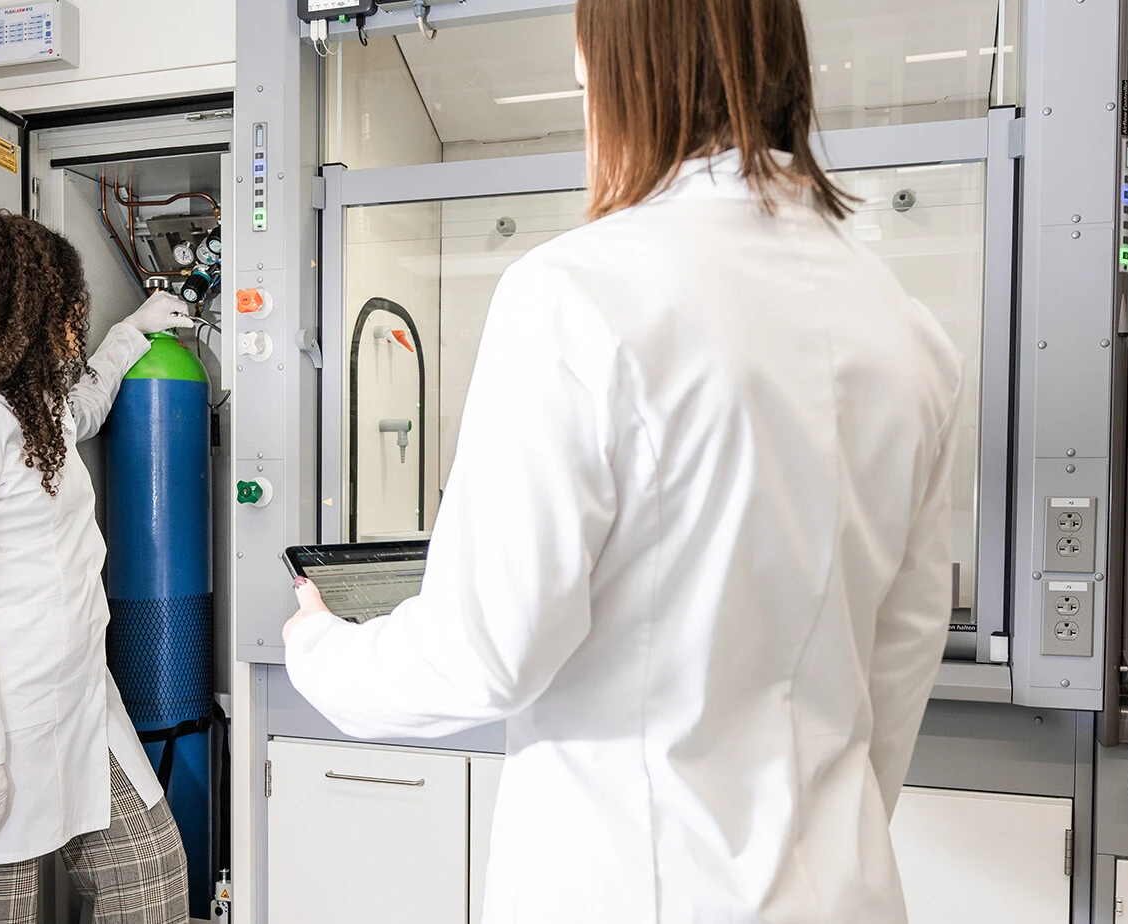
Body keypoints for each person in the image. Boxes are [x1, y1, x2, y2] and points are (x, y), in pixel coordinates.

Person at [281, 1, 963, 922]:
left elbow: (484, 655)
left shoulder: (575, 294)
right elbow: (902, 657)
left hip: (634, 891)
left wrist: (321, 649)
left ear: (628, 73)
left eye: (584, 74)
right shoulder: (910, 335)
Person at [0, 209, 194, 924]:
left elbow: (78, 411)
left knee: (149, 875)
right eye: (60, 303)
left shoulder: (25, 403)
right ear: (13, 305)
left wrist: (130, 336)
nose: (70, 319)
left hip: (78, 704)